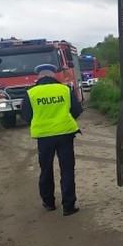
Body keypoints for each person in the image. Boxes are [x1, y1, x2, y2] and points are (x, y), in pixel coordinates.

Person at [21, 63, 82, 216]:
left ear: (39, 77)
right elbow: (76, 110)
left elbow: (26, 116)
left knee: (46, 169)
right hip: (65, 134)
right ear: (54, 75)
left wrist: (41, 123)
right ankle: (69, 206)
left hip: (44, 137)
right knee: (67, 169)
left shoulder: (31, 93)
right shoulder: (65, 90)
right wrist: (63, 120)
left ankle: (48, 203)